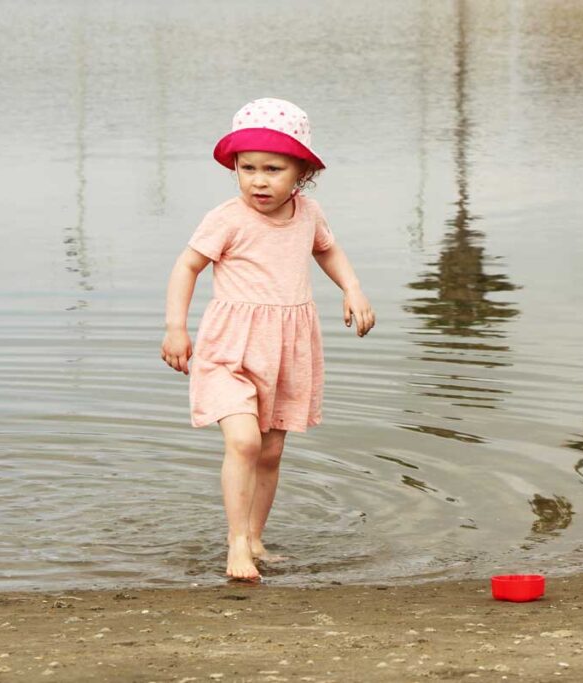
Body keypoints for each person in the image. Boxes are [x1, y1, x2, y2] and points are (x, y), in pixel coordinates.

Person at [160, 98, 375, 581]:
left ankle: (256, 537)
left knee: (271, 450)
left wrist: (353, 288)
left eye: (273, 169)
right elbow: (187, 266)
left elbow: (329, 249)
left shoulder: (308, 213)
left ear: (302, 172)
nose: (258, 180)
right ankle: (236, 544)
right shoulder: (227, 219)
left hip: (287, 349)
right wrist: (177, 326)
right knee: (243, 441)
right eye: (247, 168)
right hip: (230, 348)